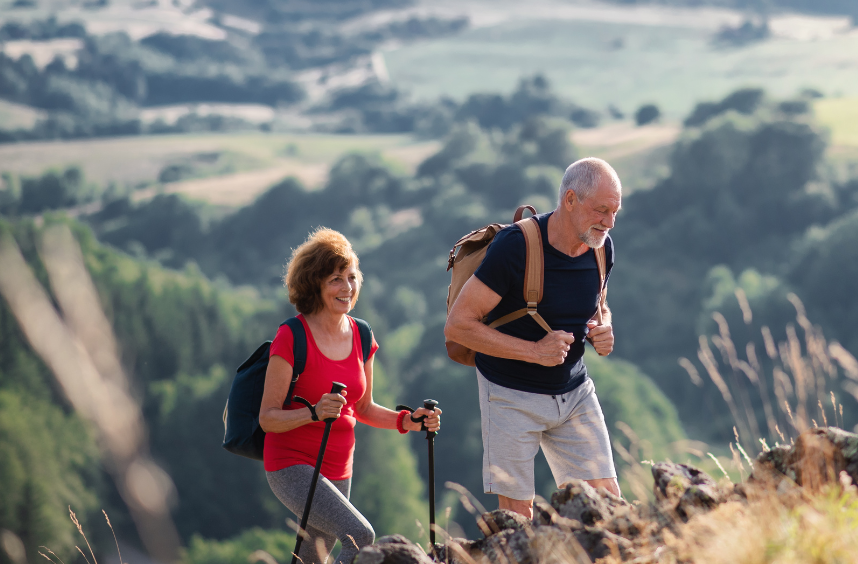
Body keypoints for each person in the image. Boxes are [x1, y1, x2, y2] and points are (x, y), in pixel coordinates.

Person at [444, 157, 621, 518]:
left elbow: (597, 303)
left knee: (607, 506)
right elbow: (458, 325)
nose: (609, 222)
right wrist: (535, 351)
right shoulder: (515, 247)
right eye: (601, 210)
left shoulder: (601, 247)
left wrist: (602, 327)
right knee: (516, 519)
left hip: (575, 393)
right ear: (569, 199)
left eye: (615, 212)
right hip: (509, 394)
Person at [260, 228, 441, 564]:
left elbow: (363, 407)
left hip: (339, 466)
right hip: (291, 463)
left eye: (352, 277)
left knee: (311, 559)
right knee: (359, 536)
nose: (347, 287)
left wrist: (409, 421)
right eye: (335, 279)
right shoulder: (292, 336)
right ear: (314, 283)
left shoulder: (362, 334)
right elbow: (267, 418)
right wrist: (313, 412)